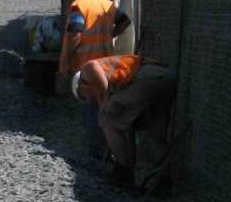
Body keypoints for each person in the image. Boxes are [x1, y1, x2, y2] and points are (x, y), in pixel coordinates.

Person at [73, 54, 177, 190]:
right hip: (165, 76)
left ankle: (123, 172)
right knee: (156, 133)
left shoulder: (88, 69)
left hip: (146, 75)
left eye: (84, 96)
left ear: (81, 85)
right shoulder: (115, 81)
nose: (88, 99)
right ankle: (162, 182)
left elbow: (106, 103)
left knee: (107, 119)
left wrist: (107, 124)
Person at [58, 0, 131, 156]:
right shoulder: (108, 5)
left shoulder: (78, 6)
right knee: (104, 102)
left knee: (91, 106)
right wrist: (109, 35)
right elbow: (125, 21)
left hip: (86, 66)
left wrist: (64, 63)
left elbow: (75, 35)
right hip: (107, 64)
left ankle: (96, 148)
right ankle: (109, 146)